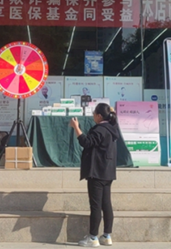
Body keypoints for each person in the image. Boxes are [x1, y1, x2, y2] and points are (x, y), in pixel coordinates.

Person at [69, 102, 119, 247]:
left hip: (97, 171)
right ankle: (107, 236)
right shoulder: (112, 129)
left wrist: (76, 127)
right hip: (108, 172)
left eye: (94, 114)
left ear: (99, 116)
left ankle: (93, 237)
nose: (93, 116)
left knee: (96, 205)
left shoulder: (100, 130)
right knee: (106, 204)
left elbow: (86, 142)